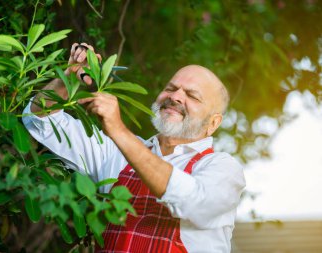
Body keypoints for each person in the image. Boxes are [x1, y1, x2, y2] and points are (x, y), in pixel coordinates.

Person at [22, 42, 246, 253]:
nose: (175, 96)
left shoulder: (222, 168)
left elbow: (194, 203)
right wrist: (67, 78)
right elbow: (40, 120)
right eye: (171, 88)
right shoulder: (116, 153)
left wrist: (118, 130)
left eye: (192, 96)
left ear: (213, 123)